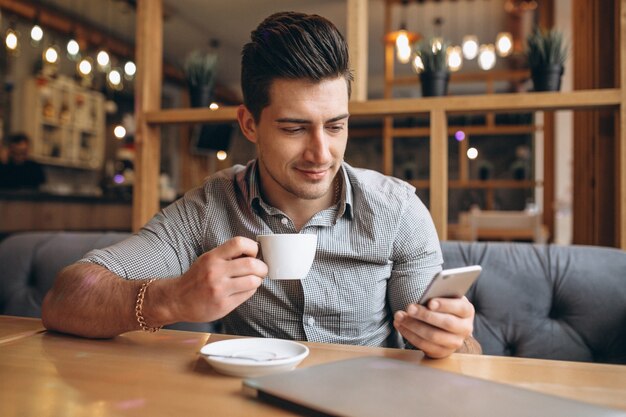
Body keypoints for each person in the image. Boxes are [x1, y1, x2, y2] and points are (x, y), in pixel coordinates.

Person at [42, 11, 480, 358]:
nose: (321, 153)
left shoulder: (397, 211)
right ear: (249, 123)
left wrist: (453, 342)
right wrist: (169, 299)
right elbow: (67, 295)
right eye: (294, 128)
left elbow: (458, 351)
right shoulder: (210, 208)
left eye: (335, 126)